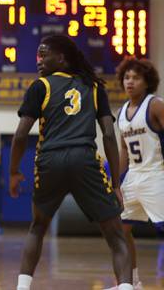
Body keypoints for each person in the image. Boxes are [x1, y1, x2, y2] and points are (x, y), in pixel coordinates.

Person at [9, 34, 132, 290]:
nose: (39, 59)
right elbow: (109, 135)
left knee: (37, 227)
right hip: (84, 160)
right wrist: (115, 183)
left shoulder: (41, 86)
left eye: (44, 54)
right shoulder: (95, 87)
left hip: (50, 161)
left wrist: (13, 172)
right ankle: (127, 287)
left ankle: (22, 288)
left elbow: (21, 135)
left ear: (62, 59)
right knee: (115, 234)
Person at [108, 57, 164, 290]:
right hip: (133, 178)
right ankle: (131, 283)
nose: (130, 82)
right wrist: (115, 183)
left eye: (136, 78)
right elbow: (123, 150)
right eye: (127, 77)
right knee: (119, 231)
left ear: (147, 81)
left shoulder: (156, 105)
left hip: (157, 176)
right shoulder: (121, 112)